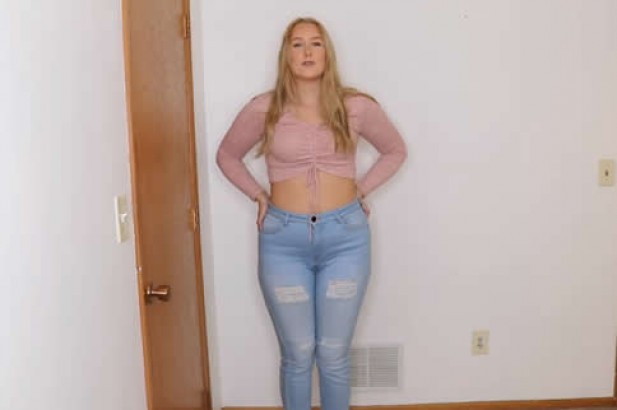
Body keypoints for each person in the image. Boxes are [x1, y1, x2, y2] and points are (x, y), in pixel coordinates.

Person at [216, 16, 407, 410]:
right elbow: (227, 155)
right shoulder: (264, 109)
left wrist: (361, 188)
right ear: (286, 55)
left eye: (315, 43)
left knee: (334, 353)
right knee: (298, 352)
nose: (307, 51)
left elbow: (395, 150)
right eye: (297, 44)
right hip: (283, 244)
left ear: (327, 53)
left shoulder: (356, 106)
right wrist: (258, 195)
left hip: (345, 241)